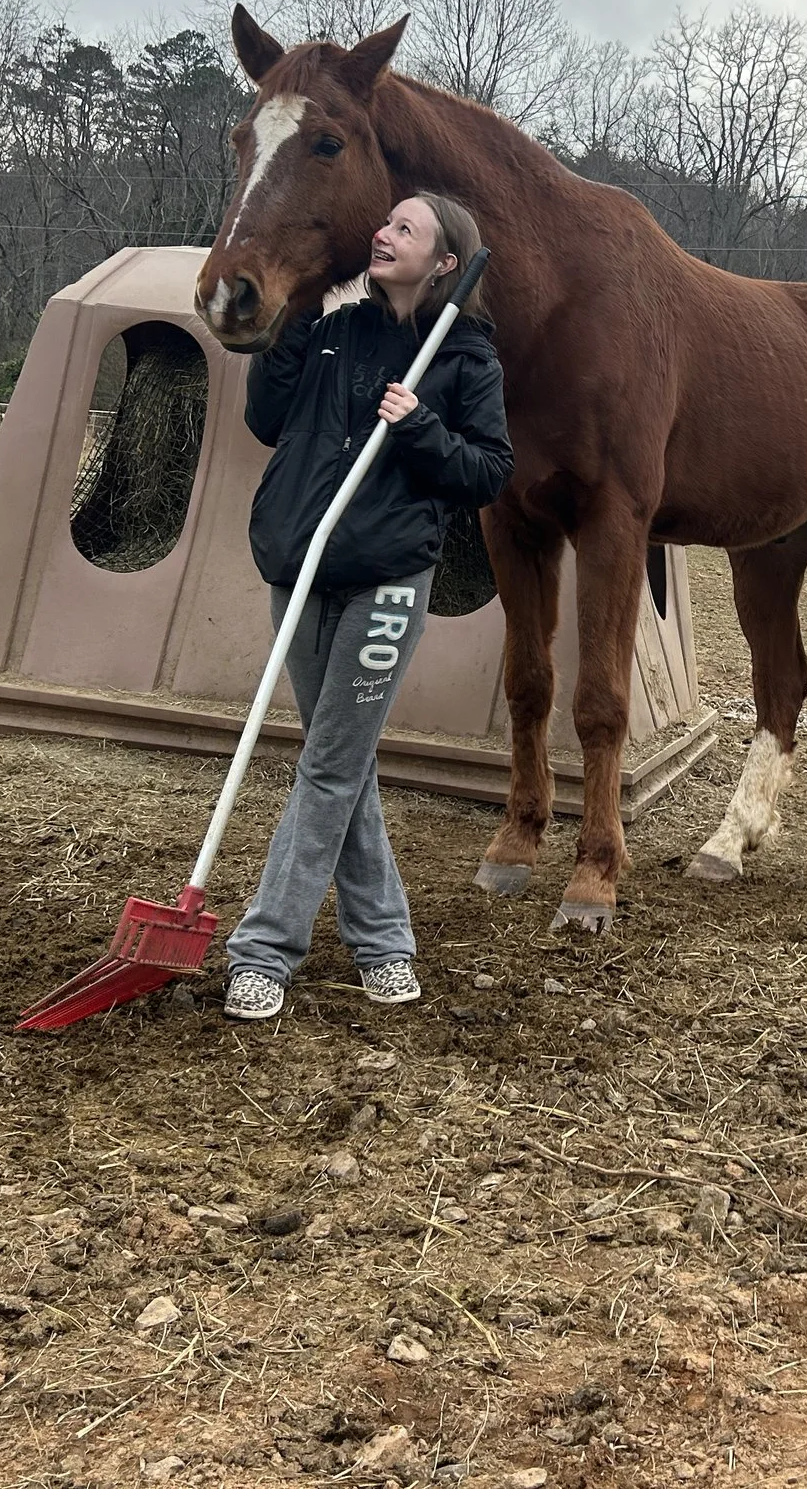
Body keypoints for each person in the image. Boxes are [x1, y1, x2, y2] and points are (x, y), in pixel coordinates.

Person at [221, 192, 512, 1022]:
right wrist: (293, 320)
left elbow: (490, 470)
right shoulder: (334, 330)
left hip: (386, 580)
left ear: (446, 262)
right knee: (341, 760)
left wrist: (420, 425)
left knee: (329, 763)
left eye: (405, 229)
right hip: (298, 564)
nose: (383, 234)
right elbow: (267, 418)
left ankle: (264, 950)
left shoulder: (463, 359)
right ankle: (383, 938)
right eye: (385, 223)